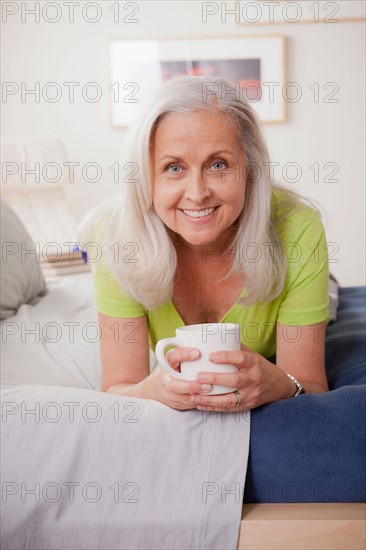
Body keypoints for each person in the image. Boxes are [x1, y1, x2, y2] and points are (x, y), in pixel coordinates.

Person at [80, 75, 330, 413]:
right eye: (173, 167)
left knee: (332, 300)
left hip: (305, 282)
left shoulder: (297, 229)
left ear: (250, 170)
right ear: (146, 177)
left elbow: (309, 385)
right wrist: (154, 391)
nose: (197, 194)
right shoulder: (116, 238)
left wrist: (281, 384)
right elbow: (118, 387)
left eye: (218, 164)